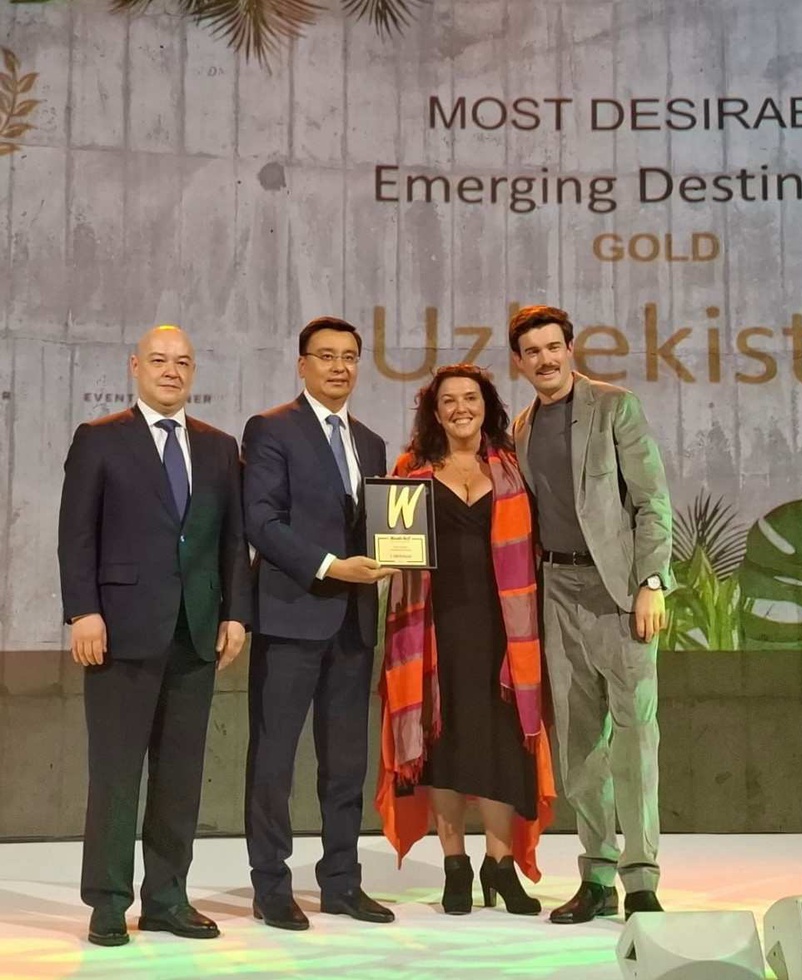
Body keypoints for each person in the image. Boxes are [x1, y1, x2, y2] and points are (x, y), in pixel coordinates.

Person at [57, 324, 251, 947]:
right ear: (135, 366)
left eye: (183, 362)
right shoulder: (99, 439)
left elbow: (232, 540)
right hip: (119, 632)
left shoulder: (219, 447)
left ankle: (167, 898)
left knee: (180, 776)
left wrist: (236, 614)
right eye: (160, 360)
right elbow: (76, 534)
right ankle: (108, 902)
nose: (172, 371)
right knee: (116, 774)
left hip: (196, 632)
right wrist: (82, 612)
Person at [509, 305, 674, 924]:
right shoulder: (522, 427)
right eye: (533, 351)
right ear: (520, 362)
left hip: (620, 591)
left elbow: (652, 501)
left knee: (635, 736)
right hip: (557, 589)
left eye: (554, 347)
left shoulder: (614, 408)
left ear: (570, 349)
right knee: (579, 744)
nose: (545, 359)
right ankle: (598, 876)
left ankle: (642, 878)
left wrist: (651, 583)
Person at [375, 364, 555, 916]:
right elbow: (391, 549)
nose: (461, 408)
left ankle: (499, 866)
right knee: (444, 746)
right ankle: (455, 864)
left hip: (505, 631)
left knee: (501, 747)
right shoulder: (410, 473)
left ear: (487, 406)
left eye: (470, 398)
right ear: (435, 412)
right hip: (433, 630)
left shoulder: (513, 469)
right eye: (449, 400)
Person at [243, 315, 396, 931]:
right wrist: (332, 566)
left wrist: (394, 555)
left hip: (354, 624)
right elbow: (261, 520)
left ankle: (341, 882)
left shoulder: (371, 442)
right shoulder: (271, 428)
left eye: (349, 357)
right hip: (291, 617)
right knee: (274, 759)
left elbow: (381, 525)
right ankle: (271, 886)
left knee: (346, 763)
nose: (339, 367)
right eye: (326, 356)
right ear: (302, 364)